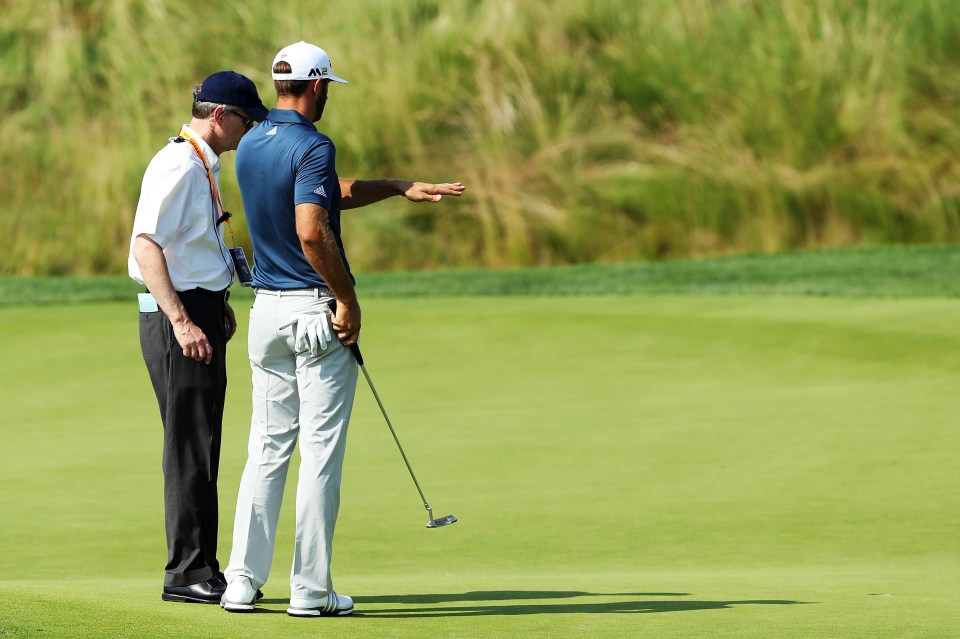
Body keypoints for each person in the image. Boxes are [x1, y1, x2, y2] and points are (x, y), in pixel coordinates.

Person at [220, 41, 465, 617]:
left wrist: (399, 185)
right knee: (320, 455)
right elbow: (312, 228)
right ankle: (309, 591)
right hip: (312, 312)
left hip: (266, 315)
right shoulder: (314, 144)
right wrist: (347, 299)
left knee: (267, 449)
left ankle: (241, 582)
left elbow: (330, 192)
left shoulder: (253, 141)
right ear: (318, 86)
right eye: (328, 86)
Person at [129, 71, 268, 604]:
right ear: (219, 116)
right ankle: (187, 572)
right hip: (178, 319)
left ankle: (201, 566)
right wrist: (185, 321)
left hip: (199, 310)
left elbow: (189, 245)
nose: (247, 130)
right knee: (191, 446)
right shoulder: (180, 165)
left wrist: (217, 302)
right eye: (244, 120)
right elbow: (146, 246)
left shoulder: (196, 163)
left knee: (201, 441)